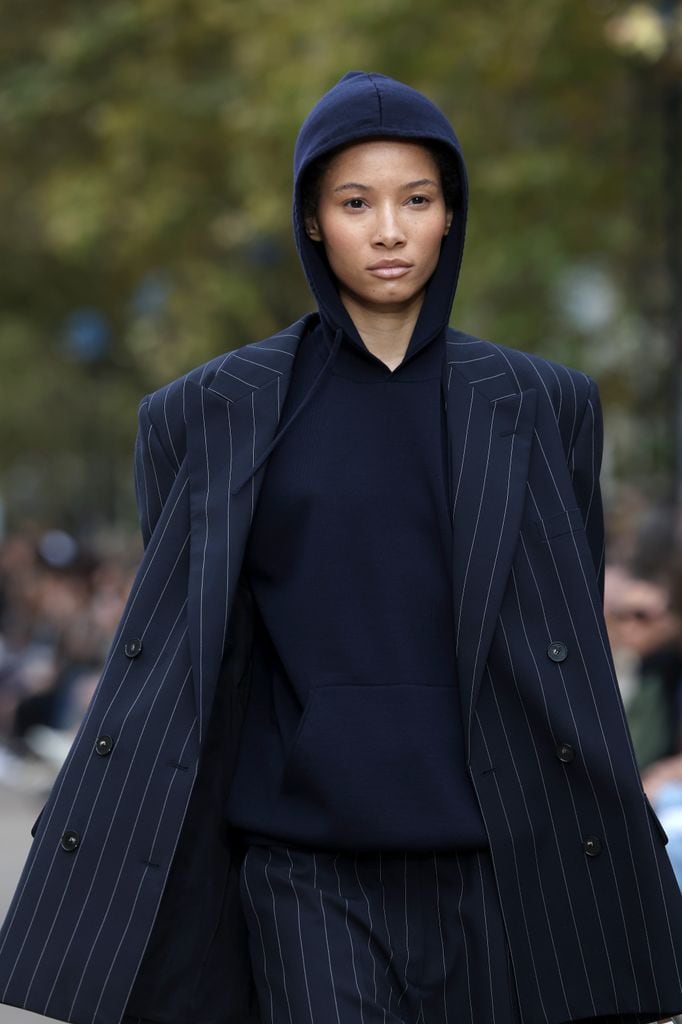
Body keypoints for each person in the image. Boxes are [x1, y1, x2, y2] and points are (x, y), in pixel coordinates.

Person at [1, 71, 681, 1024]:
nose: (390, 230)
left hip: (494, 862)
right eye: (356, 202)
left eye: (417, 200)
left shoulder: (542, 406)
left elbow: (561, 644)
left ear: (452, 216)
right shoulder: (207, 416)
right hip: (301, 868)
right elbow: (192, 654)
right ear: (313, 220)